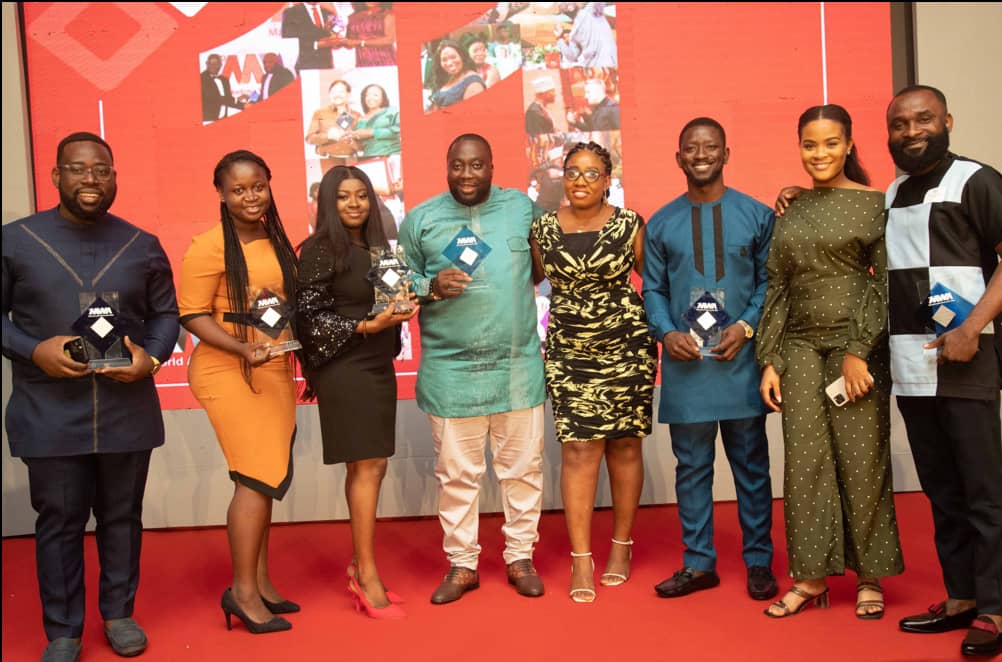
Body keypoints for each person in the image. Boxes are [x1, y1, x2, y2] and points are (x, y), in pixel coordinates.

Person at [2, 132, 179, 661]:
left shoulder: (142, 244)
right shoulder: (15, 241)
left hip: (126, 408)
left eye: (101, 170)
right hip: (49, 409)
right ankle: (63, 630)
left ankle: (119, 614)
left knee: (122, 516)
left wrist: (151, 358)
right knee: (59, 521)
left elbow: (166, 314)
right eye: (78, 169)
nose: (90, 179)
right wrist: (34, 350)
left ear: (114, 178)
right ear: (56, 176)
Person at [757, 104, 903, 619]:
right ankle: (811, 577)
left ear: (849, 145)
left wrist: (860, 351)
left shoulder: (875, 204)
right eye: (810, 144)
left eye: (830, 143)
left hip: (853, 349)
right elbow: (778, 284)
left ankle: (870, 577)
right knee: (804, 464)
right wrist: (770, 358)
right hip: (798, 347)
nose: (819, 153)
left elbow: (884, 281)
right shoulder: (791, 206)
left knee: (862, 462)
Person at [397, 133, 547, 604]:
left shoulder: (521, 208)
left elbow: (543, 264)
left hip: (516, 368)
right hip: (451, 373)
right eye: (458, 165)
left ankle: (520, 557)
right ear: (447, 166)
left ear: (491, 166)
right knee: (457, 477)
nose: (466, 174)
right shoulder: (421, 219)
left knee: (522, 472)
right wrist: (430, 285)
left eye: (476, 165)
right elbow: (395, 284)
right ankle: (462, 564)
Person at [883, 86, 1001, 657]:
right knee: (943, 491)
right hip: (911, 362)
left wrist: (972, 326)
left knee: (984, 491)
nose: (912, 131)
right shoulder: (891, 192)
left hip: (965, 360)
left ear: (947, 121)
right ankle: (961, 598)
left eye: (923, 120)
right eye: (900, 124)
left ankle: (996, 608)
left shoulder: (976, 180)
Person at [642, 118, 777, 603]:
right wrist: (666, 331)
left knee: (752, 467)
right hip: (687, 367)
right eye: (692, 148)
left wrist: (746, 326)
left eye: (710, 147)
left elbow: (770, 282)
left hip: (740, 363)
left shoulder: (758, 216)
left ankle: (759, 561)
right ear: (679, 157)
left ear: (726, 153)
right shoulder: (660, 223)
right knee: (692, 467)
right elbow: (653, 289)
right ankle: (698, 564)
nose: (701, 155)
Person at [178, 150, 300, 635]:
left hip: (272, 367)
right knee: (254, 477)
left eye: (258, 187)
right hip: (228, 370)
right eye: (238, 189)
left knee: (265, 476)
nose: (251, 197)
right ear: (222, 194)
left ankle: (262, 582)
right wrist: (241, 349)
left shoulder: (275, 237)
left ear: (269, 184)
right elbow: (192, 314)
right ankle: (243, 593)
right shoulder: (208, 247)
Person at [529, 141, 657, 602]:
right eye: (572, 172)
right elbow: (530, 280)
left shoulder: (629, 224)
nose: (580, 180)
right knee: (579, 450)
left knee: (624, 445)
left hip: (626, 346)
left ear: (607, 180)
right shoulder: (543, 229)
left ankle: (621, 547)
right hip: (569, 349)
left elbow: (654, 281)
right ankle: (581, 558)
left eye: (591, 173)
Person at [297, 166, 417, 620]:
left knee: (373, 465)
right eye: (344, 196)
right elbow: (309, 319)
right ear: (329, 202)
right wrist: (367, 324)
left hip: (377, 363)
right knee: (366, 465)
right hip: (344, 368)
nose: (354, 204)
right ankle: (366, 574)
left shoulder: (378, 249)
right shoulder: (318, 250)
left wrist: (404, 306)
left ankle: (359, 564)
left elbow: (387, 303)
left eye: (362, 195)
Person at [305, 80, 362, 165]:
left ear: (348, 94)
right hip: (328, 160)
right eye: (333, 92)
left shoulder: (356, 115)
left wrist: (352, 140)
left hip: (351, 160)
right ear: (329, 95)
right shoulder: (320, 113)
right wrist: (328, 136)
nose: (337, 95)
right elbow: (309, 138)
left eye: (341, 92)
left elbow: (363, 143)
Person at [427, 40, 485, 111]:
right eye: (444, 60)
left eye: (453, 57)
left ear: (462, 56)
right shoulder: (449, 78)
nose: (449, 63)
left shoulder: (473, 81)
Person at [334, 3, 397, 67]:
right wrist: (339, 41)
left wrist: (361, 42)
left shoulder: (388, 14)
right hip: (363, 63)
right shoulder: (353, 17)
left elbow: (390, 40)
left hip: (385, 62)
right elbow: (351, 43)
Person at [281, 2, 336, 71]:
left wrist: (335, 40)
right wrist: (315, 44)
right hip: (305, 65)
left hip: (326, 65)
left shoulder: (327, 12)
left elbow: (331, 33)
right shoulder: (291, 12)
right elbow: (289, 38)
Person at [350, 83, 400, 158]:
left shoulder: (391, 111)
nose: (370, 98)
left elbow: (398, 131)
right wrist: (351, 143)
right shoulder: (360, 119)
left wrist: (371, 132)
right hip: (370, 158)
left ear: (383, 98)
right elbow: (361, 147)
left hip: (392, 155)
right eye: (367, 95)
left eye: (375, 95)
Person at [562, 2, 617, 68]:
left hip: (609, 59)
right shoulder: (573, 34)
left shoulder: (590, 9)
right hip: (599, 64)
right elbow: (573, 56)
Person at [201, 53, 244, 122]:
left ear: (220, 65)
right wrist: (236, 100)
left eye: (216, 64)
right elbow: (214, 98)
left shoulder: (225, 80)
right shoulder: (201, 79)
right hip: (207, 120)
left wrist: (243, 105)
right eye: (211, 63)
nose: (213, 66)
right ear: (207, 64)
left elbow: (228, 99)